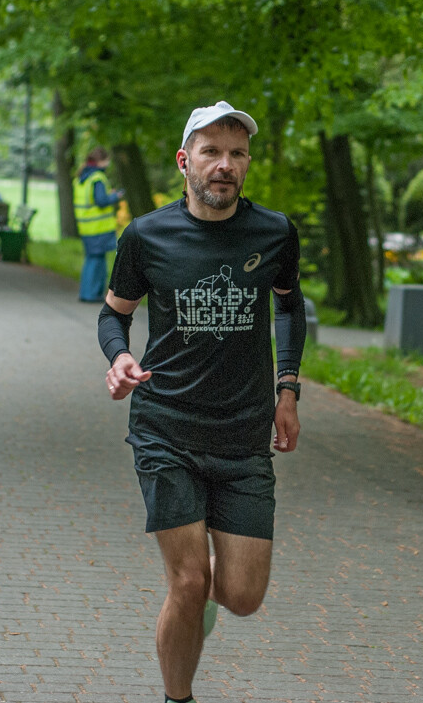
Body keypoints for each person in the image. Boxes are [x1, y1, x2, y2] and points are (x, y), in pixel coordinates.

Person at [97, 101, 307, 703]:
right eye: (211, 152)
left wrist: (287, 389)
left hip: (243, 437)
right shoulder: (147, 235)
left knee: (241, 596)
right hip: (166, 428)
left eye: (237, 154)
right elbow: (114, 315)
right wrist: (119, 357)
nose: (225, 165)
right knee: (189, 581)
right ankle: (177, 696)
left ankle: (198, 606)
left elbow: (289, 307)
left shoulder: (274, 232)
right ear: (185, 161)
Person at [73, 146, 124, 302]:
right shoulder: (97, 178)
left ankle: (86, 293)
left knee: (91, 259)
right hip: (99, 227)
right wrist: (115, 196)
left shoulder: (81, 177)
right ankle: (92, 294)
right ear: (101, 161)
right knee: (97, 260)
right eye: (107, 160)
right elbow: (101, 201)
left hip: (86, 226)